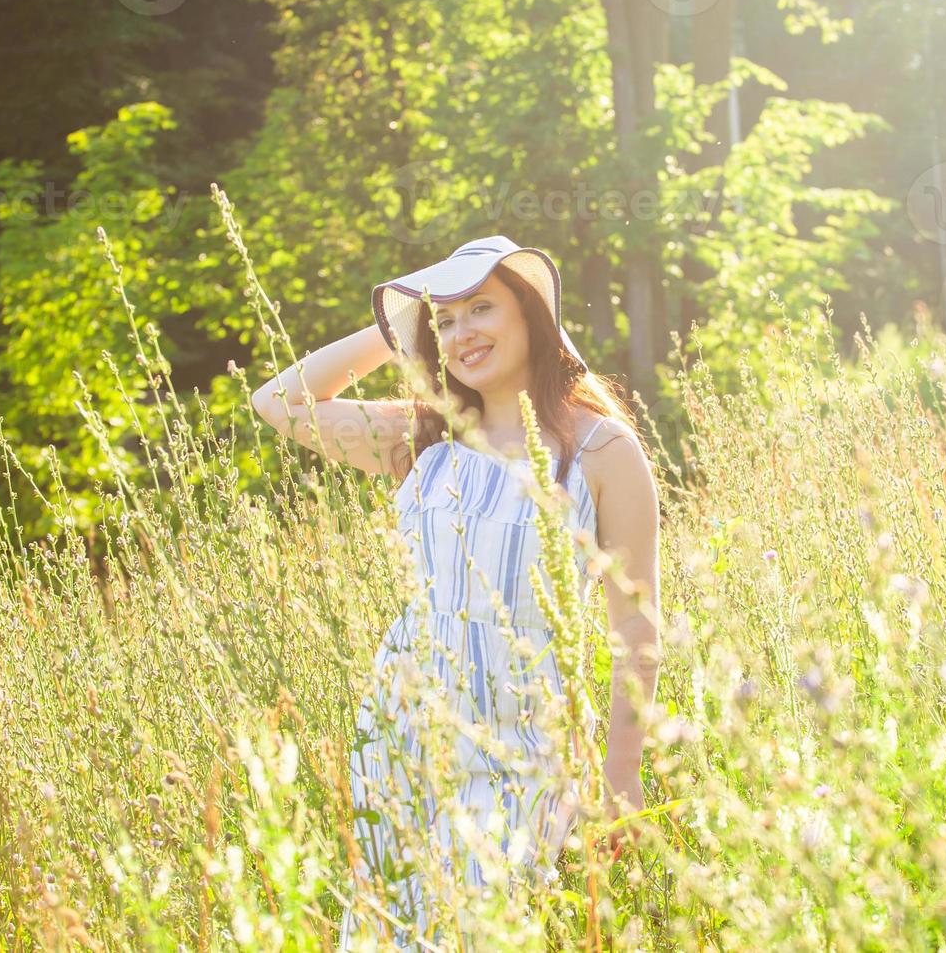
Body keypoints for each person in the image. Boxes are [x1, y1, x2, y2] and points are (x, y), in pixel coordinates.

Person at [250, 235, 661, 948]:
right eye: (444, 319)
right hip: (402, 743)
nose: (463, 331)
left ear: (532, 315)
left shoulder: (599, 452)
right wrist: (395, 328)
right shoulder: (422, 441)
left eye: (482, 307)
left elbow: (638, 634)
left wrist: (620, 779)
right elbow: (279, 400)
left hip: (526, 749)